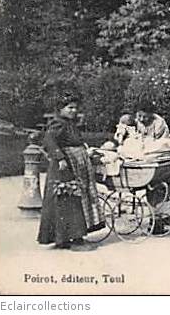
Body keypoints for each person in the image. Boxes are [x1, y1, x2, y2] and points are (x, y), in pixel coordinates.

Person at [37, 93, 105, 251]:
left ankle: (64, 238)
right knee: (69, 199)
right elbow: (48, 140)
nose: (74, 110)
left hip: (73, 165)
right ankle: (74, 239)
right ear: (61, 109)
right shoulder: (58, 123)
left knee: (71, 200)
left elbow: (74, 141)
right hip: (65, 168)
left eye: (75, 108)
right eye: (70, 108)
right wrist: (60, 158)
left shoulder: (69, 123)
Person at [134, 104, 170, 234]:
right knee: (152, 188)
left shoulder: (159, 123)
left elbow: (161, 144)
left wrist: (146, 146)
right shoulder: (138, 122)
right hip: (151, 159)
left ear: (151, 114)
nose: (142, 119)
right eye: (139, 115)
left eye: (145, 116)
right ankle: (156, 222)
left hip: (167, 158)